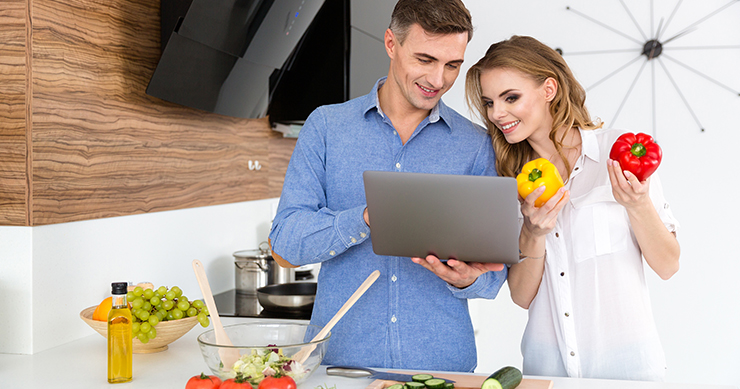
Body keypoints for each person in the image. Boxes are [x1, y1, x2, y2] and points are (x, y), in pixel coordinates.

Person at [268, 0, 507, 372]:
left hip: (442, 370)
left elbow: (494, 275)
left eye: (452, 65)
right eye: (425, 59)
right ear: (391, 44)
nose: (438, 79)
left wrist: (468, 280)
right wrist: (365, 217)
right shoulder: (327, 127)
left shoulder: (475, 143)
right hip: (342, 368)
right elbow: (285, 241)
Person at [465, 35, 680, 381]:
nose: (497, 113)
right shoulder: (509, 178)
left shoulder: (619, 153)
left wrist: (637, 204)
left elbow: (669, 264)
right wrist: (533, 233)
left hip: (627, 370)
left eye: (511, 98)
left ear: (549, 88)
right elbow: (521, 296)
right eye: (489, 102)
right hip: (546, 371)